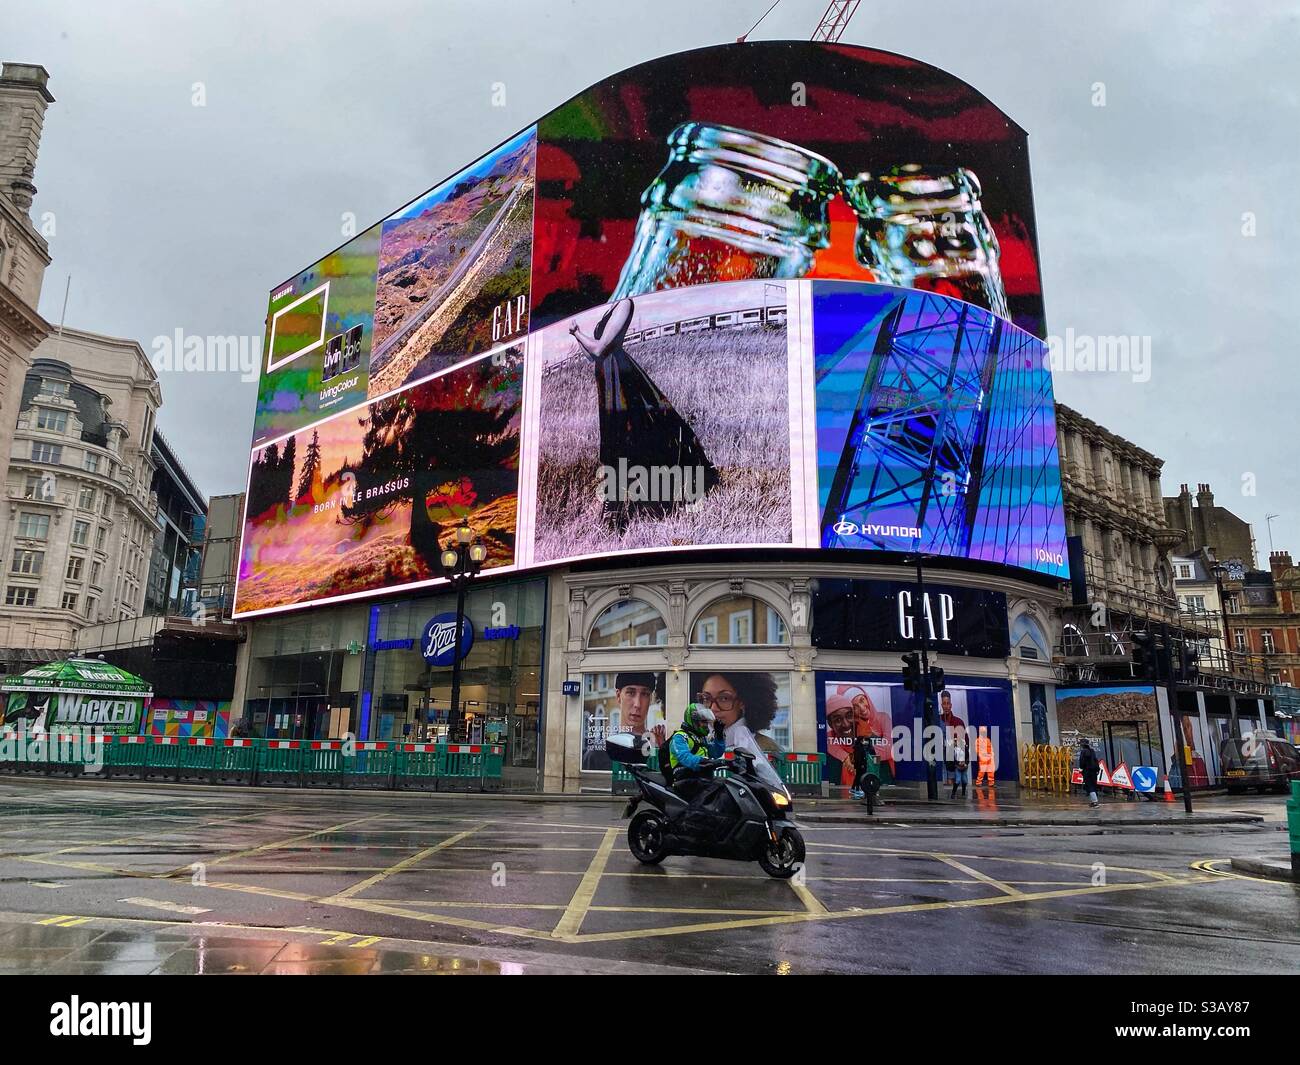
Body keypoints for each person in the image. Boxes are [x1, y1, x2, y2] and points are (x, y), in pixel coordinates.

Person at [568, 298, 719, 532]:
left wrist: (578, 333)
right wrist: (575, 336)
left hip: (620, 379)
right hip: (608, 380)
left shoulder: (625, 304)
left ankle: (618, 512)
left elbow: (600, 348)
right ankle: (615, 511)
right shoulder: (608, 311)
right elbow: (592, 356)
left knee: (628, 438)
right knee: (615, 441)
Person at [695, 671, 785, 789]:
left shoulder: (768, 747)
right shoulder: (696, 741)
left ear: (742, 703)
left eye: (724, 698)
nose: (713, 708)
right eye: (706, 698)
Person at [581, 672, 659, 771]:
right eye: (631, 693)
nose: (637, 704)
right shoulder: (597, 755)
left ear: (650, 699)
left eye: (644, 694)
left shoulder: (656, 748)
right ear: (618, 696)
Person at [664, 703, 727, 815]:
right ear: (693, 721)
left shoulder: (701, 738)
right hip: (685, 777)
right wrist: (702, 761)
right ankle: (693, 820)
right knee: (710, 792)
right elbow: (684, 757)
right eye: (703, 722)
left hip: (702, 776)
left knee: (724, 787)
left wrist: (719, 735)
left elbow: (716, 752)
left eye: (707, 722)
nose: (706, 726)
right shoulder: (680, 736)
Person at [1079, 738, 1101, 808]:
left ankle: (1095, 802)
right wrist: (1097, 769)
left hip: (1087, 771)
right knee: (1093, 785)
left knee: (1090, 786)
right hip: (1094, 771)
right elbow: (1096, 760)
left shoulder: (1083, 752)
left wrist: (1081, 768)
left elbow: (1082, 762)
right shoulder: (1092, 751)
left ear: (1082, 745)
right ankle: (1092, 801)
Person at [948, 729, 969, 799]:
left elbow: (968, 756)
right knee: (958, 780)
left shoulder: (964, 747)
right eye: (955, 740)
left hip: (964, 766)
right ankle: (953, 793)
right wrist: (957, 763)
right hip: (957, 766)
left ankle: (963, 793)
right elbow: (951, 758)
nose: (956, 741)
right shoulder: (952, 749)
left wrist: (966, 763)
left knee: (965, 780)